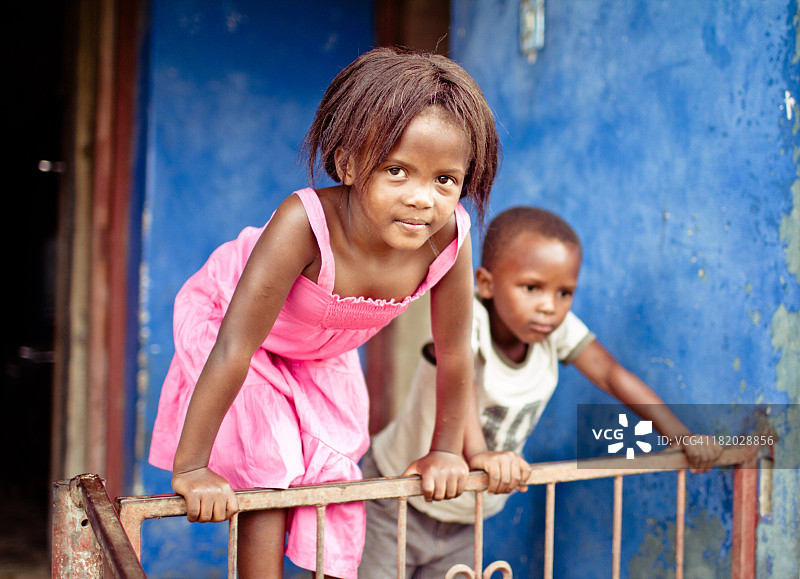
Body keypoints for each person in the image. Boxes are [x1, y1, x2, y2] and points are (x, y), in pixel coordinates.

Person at [147, 46, 501, 579]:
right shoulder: (304, 223)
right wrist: (193, 467)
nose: (423, 199)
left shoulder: (449, 241)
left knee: (336, 472)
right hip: (236, 329)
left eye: (445, 180)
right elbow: (234, 347)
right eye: (397, 171)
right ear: (349, 164)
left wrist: (446, 451)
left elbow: (455, 351)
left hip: (318, 352)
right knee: (271, 463)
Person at [360, 206, 724, 577]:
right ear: (485, 283)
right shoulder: (465, 316)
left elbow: (612, 375)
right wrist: (482, 454)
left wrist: (681, 436)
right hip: (395, 501)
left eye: (564, 293)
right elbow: (457, 379)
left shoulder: (554, 330)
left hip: (466, 515)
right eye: (531, 288)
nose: (550, 307)